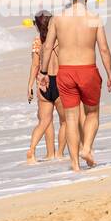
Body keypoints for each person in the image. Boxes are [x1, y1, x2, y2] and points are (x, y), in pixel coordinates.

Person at [37, 0, 111, 172]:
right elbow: (104, 49)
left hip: (65, 72)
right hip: (88, 70)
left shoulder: (58, 19)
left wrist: (43, 73)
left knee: (71, 119)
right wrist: (110, 74)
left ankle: (75, 165)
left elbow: (47, 47)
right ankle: (87, 148)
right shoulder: (94, 18)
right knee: (92, 113)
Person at [27, 11, 66, 163]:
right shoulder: (59, 38)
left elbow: (35, 65)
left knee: (44, 121)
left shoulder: (37, 41)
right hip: (60, 80)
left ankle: (33, 149)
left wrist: (30, 85)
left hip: (43, 82)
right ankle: (60, 154)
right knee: (65, 121)